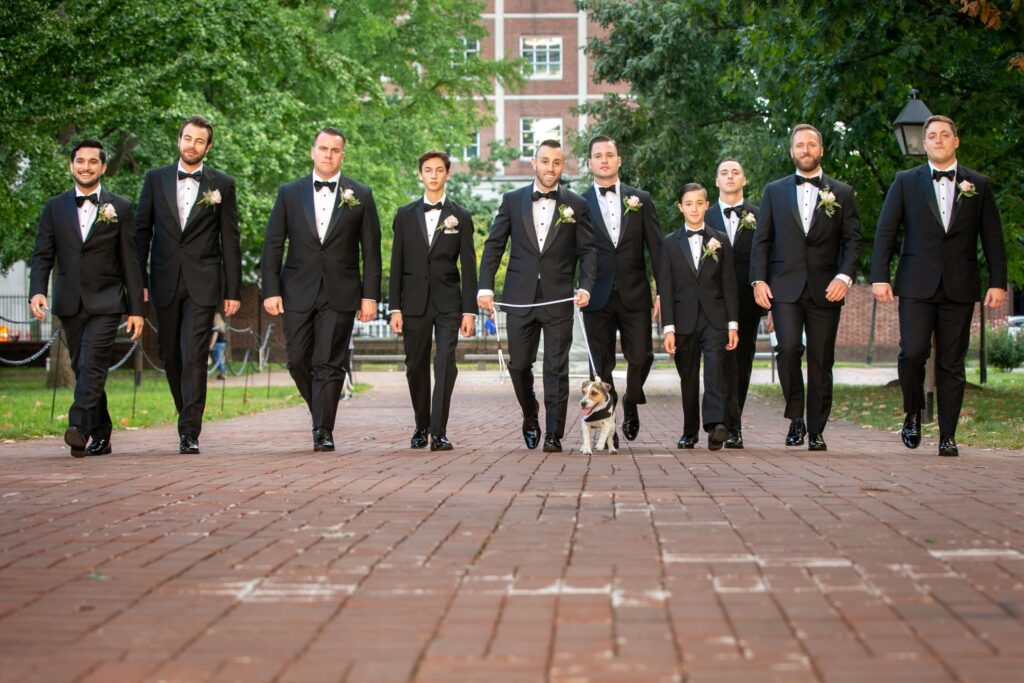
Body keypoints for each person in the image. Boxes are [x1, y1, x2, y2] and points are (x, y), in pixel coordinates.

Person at [871, 115, 1007, 457]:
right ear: (925, 144)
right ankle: (913, 412)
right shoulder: (905, 181)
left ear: (956, 141)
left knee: (952, 362)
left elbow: (993, 237)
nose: (939, 140)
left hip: (960, 286)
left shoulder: (979, 184)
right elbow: (886, 232)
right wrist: (879, 276)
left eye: (945, 135)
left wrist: (998, 282)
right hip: (916, 283)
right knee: (913, 352)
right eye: (932, 136)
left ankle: (948, 435)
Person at [261, 127, 381, 452]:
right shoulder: (289, 193)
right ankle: (321, 412)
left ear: (343, 154)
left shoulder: (361, 194)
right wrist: (270, 289)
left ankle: (322, 430)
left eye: (335, 150)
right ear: (312, 151)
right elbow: (273, 243)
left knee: (329, 361)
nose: (328, 154)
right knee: (298, 360)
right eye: (323, 148)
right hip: (297, 289)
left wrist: (370, 296)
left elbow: (371, 251)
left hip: (341, 292)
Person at [477, 139, 597, 453]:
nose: (550, 168)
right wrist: (485, 286)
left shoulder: (576, 205)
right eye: (545, 161)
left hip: (559, 298)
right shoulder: (512, 199)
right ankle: (530, 416)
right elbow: (494, 245)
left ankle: (554, 434)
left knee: (557, 369)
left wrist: (585, 285)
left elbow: (588, 251)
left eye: (557, 162)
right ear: (534, 163)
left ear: (563, 165)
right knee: (518, 365)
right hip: (519, 297)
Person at [29, 139, 144, 457]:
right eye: (80, 161)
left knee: (93, 364)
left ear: (103, 167)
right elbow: (42, 254)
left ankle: (78, 427)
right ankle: (102, 432)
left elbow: (130, 262)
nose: (86, 166)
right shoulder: (54, 206)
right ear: (71, 165)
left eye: (93, 162)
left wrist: (136, 309)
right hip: (69, 302)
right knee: (84, 367)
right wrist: (37, 290)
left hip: (107, 301)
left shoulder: (119, 207)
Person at [750, 124, 861, 452]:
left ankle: (816, 429)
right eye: (800, 145)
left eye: (812, 145)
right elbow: (762, 240)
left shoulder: (842, 192)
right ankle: (795, 416)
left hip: (826, 289)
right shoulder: (774, 191)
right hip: (784, 289)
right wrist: (758, 281)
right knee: (787, 350)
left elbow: (853, 241)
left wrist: (844, 277)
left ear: (821, 151)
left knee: (821, 359)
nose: (806, 150)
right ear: (792, 152)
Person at [135, 115, 242, 454]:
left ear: (208, 147)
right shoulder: (154, 180)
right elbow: (141, 233)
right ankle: (187, 415)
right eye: (187, 138)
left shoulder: (221, 184)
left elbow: (230, 239)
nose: (191, 145)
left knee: (194, 354)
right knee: (171, 355)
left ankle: (189, 432)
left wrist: (233, 290)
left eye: (199, 141)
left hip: (204, 283)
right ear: (178, 140)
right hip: (164, 281)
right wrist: (138, 281)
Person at [389, 150, 478, 451]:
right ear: (420, 174)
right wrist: (394, 307)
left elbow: (469, 267)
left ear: (447, 174)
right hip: (413, 303)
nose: (434, 175)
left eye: (439, 170)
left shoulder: (461, 217)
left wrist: (469, 311)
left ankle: (438, 432)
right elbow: (396, 263)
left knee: (444, 363)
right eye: (428, 170)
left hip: (448, 303)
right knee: (415, 365)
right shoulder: (404, 215)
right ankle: (421, 426)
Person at [580, 136, 662, 442]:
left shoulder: (640, 200)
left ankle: (631, 398)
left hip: (635, 293)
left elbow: (656, 250)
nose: (604, 159)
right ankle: (607, 423)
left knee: (642, 356)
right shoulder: (578, 202)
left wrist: (662, 292)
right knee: (600, 367)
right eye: (598, 155)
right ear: (590, 163)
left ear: (619, 161)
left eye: (609, 154)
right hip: (595, 296)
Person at [658, 183, 738, 450]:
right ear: (681, 207)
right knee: (688, 377)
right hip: (682, 320)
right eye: (688, 203)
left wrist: (732, 324)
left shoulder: (720, 241)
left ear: (707, 205)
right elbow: (665, 289)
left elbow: (729, 285)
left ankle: (716, 426)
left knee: (715, 369)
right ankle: (689, 430)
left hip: (714, 318)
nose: (694, 208)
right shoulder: (669, 244)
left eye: (699, 203)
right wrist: (668, 328)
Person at [705, 158, 764, 449]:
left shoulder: (760, 215)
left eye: (736, 172)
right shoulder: (702, 216)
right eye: (724, 173)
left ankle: (734, 426)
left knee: (741, 363)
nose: (730, 177)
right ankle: (716, 423)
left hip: (747, 302)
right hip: (712, 303)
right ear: (716, 181)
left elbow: (765, 259)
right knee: (716, 363)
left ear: (744, 180)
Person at [209, 312, 227, 380]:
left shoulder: (216, 327)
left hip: (218, 345)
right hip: (222, 344)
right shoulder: (222, 327)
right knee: (221, 359)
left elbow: (214, 337)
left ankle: (223, 374)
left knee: (218, 359)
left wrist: (211, 345)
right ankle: (222, 373)